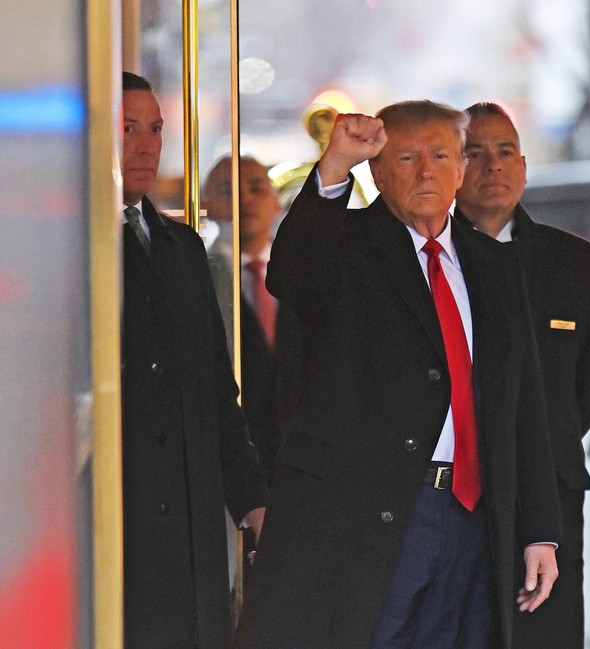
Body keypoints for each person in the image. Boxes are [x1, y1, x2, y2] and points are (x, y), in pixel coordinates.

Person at [233, 100, 562, 649]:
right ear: (379, 172)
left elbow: (524, 403)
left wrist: (540, 531)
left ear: (462, 169)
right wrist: (335, 166)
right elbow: (290, 272)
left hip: (473, 515)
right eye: (407, 157)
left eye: (440, 155)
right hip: (372, 512)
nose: (426, 171)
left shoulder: (494, 265)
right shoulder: (346, 249)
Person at [454, 102, 590, 649]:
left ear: (523, 165)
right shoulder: (433, 260)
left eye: (505, 153)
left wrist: (541, 439)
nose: (493, 167)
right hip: (457, 492)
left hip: (552, 490)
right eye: (475, 154)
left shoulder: (576, 264)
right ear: (453, 168)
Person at [120, 71, 269, 649]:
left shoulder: (183, 249)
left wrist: (251, 498)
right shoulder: (78, 245)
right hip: (120, 529)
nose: (147, 144)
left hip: (192, 529)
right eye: (127, 128)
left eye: (154, 129)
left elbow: (216, 392)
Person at [203, 155, 302, 481]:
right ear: (205, 203)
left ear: (276, 202)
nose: (244, 198)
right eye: (227, 190)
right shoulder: (199, 275)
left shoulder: (303, 270)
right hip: (229, 461)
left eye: (256, 188)